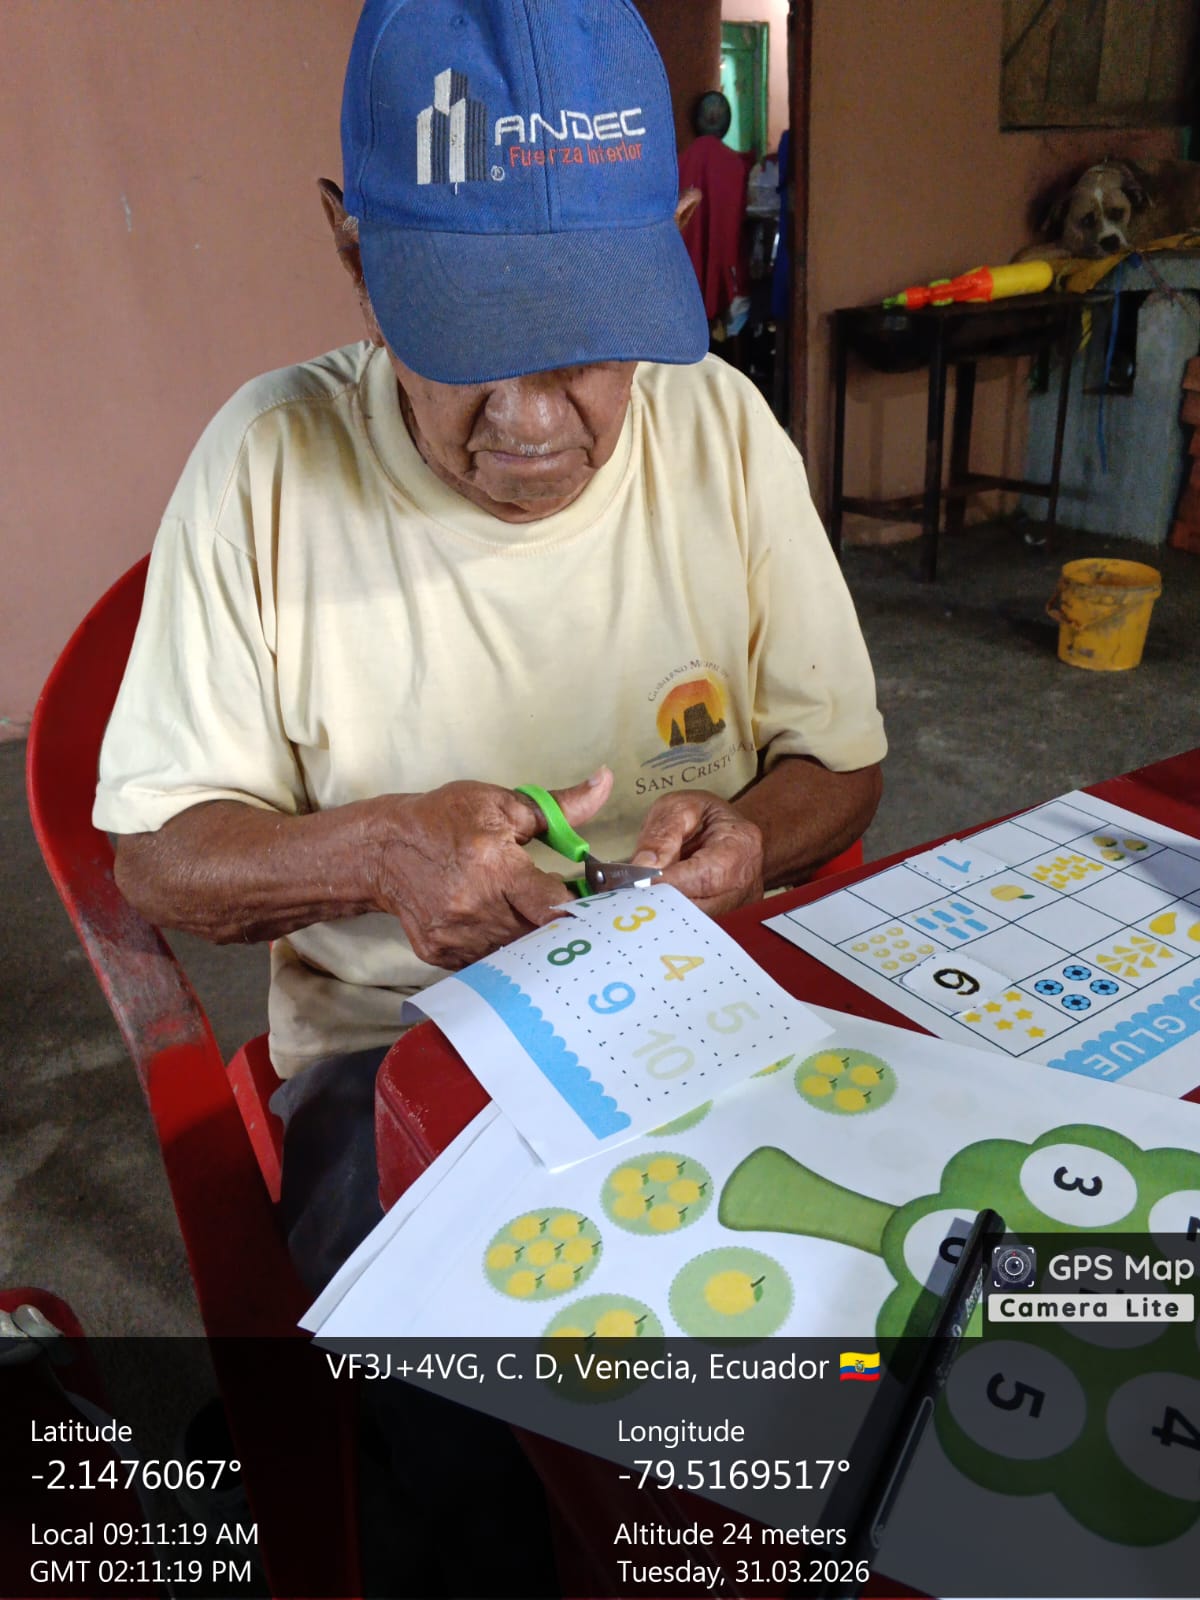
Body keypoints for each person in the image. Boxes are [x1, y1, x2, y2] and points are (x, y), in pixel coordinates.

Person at [94, 0, 886, 1292]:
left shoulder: (723, 429)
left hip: (706, 1004)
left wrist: (753, 837)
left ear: (674, 245)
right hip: (398, 1048)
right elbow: (158, 860)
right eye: (467, 339)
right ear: (354, 254)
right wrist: (374, 852)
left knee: (883, 1280)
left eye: (584, 344)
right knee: (487, 1374)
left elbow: (841, 763)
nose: (530, 421)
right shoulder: (265, 465)